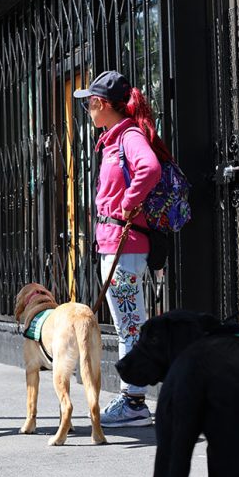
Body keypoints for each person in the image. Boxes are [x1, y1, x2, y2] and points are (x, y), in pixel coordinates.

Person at [74, 70, 166, 427]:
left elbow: (150, 168)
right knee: (129, 322)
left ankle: (134, 401)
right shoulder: (114, 139)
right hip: (116, 244)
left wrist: (128, 202)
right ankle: (133, 396)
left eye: (89, 105)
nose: (88, 112)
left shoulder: (127, 135)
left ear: (100, 104)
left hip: (125, 245)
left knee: (130, 324)